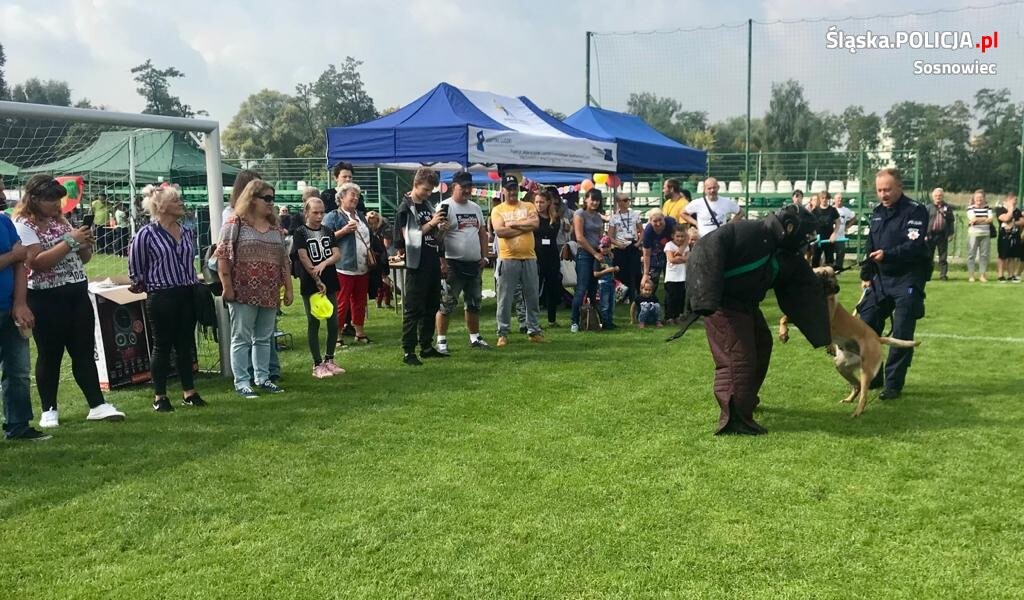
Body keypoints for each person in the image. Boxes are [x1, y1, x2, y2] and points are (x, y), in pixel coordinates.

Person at [687, 204, 829, 435]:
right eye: (804, 235)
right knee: (738, 358)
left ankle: (746, 401)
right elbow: (707, 247)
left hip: (747, 304)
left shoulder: (783, 251)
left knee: (762, 344)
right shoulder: (749, 232)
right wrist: (704, 297)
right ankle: (735, 418)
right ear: (790, 227)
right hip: (725, 305)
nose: (806, 242)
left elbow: (800, 282)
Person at [15, 175, 126, 427]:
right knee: (50, 353)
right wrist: (69, 242)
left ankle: (97, 404)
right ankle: (49, 410)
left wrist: (84, 243)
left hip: (76, 292)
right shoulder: (23, 225)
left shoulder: (63, 221)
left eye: (59, 198)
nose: (57, 204)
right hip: (45, 297)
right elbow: (37, 262)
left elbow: (83, 259)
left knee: (83, 351)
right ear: (34, 199)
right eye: (50, 199)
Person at [129, 184, 206, 412]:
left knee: (185, 344)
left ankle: (189, 392)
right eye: (175, 201)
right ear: (161, 207)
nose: (180, 204)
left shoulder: (187, 231)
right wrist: (150, 286)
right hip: (161, 295)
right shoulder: (146, 234)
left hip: (187, 292)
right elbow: (136, 268)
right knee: (162, 345)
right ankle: (160, 396)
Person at [857, 168, 931, 400]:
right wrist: (866, 273)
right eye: (879, 190)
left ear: (899, 187)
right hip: (881, 278)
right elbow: (871, 245)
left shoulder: (915, 211)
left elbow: (915, 246)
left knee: (901, 329)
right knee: (865, 325)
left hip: (908, 277)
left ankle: (893, 384)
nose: (883, 194)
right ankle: (874, 376)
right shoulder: (877, 213)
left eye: (887, 189)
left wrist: (887, 255)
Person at [216, 179, 293, 398]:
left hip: (269, 292)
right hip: (243, 291)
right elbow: (223, 255)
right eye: (266, 198)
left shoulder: (275, 228)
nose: (271, 203)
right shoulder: (235, 223)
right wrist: (227, 286)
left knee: (264, 337)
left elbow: (283, 261)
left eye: (273, 198)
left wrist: (288, 288)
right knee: (241, 337)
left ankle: (263, 377)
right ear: (252, 199)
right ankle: (241, 381)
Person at [0, 200, 46, 440]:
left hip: (9, 309)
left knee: (18, 370)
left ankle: (18, 426)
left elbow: (21, 263)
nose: (2, 193)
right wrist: (12, 255)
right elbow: (17, 255)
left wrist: (20, 303)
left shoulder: (5, 221)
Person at [394, 168, 447, 365]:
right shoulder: (405, 208)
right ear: (415, 184)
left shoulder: (427, 204)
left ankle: (426, 345)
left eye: (430, 190)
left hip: (432, 260)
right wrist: (433, 223)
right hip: (417, 264)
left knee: (431, 305)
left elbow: (434, 236)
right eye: (425, 189)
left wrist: (442, 229)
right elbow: (410, 236)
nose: (427, 193)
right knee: (413, 308)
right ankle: (408, 350)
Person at [435, 171, 490, 353]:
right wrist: (442, 262)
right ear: (453, 187)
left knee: (474, 302)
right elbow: (437, 238)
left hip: (474, 264)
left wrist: (484, 255)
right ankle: (441, 340)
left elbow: (482, 232)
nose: (466, 190)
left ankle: (475, 337)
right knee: (447, 303)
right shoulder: (444, 206)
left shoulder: (475, 207)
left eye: (469, 187)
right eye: (463, 187)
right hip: (453, 264)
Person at [291, 197, 343, 378]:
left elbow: (337, 254)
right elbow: (303, 257)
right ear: (306, 212)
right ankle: (317, 363)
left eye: (322, 212)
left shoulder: (328, 231)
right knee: (314, 321)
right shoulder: (300, 232)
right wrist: (316, 277)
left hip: (330, 279)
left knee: (334, 321)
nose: (320, 216)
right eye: (315, 212)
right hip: (310, 282)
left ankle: (330, 359)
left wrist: (324, 264)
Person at [490, 174, 543, 346]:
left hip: (529, 257)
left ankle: (534, 331)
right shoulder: (498, 210)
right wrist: (524, 227)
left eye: (515, 188)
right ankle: (503, 333)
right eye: (510, 188)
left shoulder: (528, 205)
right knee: (505, 298)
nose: (513, 191)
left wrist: (513, 225)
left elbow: (535, 225)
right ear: (503, 190)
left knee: (532, 296)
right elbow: (500, 232)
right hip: (508, 258)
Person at [324, 182, 373, 345]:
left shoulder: (360, 215)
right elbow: (323, 239)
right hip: (343, 267)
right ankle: (336, 335)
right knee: (341, 302)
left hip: (362, 266)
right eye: (352, 195)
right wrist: (344, 231)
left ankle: (359, 332)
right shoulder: (333, 216)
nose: (356, 198)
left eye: (357, 196)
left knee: (360, 301)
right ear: (342, 197)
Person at [570, 188, 606, 334]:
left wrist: (603, 249)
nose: (595, 202)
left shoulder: (598, 216)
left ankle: (594, 320)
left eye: (597, 200)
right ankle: (574, 321)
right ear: (586, 199)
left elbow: (600, 235)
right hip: (584, 253)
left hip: (597, 253)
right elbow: (579, 237)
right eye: (592, 199)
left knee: (593, 289)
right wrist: (593, 253)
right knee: (581, 288)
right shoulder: (579, 214)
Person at [534, 189, 563, 328]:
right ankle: (534, 320)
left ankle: (552, 319)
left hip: (551, 255)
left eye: (542, 202)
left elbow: (551, 233)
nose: (539, 205)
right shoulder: (533, 218)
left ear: (548, 203)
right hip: (536, 255)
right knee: (536, 288)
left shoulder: (554, 218)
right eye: (537, 202)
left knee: (552, 287)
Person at [608, 192, 642, 304]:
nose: (628, 201)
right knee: (621, 272)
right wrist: (617, 244)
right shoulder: (614, 217)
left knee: (634, 272)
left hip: (632, 245)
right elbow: (610, 236)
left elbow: (642, 231)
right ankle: (622, 296)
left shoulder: (635, 214)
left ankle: (635, 296)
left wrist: (638, 243)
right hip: (620, 246)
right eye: (625, 200)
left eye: (628, 199)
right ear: (619, 202)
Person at [640, 208, 677, 297]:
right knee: (651, 280)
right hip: (655, 255)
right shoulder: (648, 231)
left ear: (664, 218)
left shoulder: (671, 223)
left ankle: (671, 306)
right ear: (650, 221)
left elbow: (682, 236)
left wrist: (680, 250)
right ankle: (646, 302)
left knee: (671, 282)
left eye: (660, 220)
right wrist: (645, 274)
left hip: (671, 253)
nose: (658, 223)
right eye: (654, 221)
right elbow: (647, 254)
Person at [926, 187, 955, 281]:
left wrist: (951, 233)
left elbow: (951, 221)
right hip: (930, 235)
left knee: (943, 257)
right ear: (933, 197)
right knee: (929, 257)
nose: (938, 197)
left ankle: (943, 275)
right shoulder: (928, 207)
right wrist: (924, 234)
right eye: (936, 195)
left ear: (943, 196)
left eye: (940, 195)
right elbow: (924, 222)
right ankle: (927, 275)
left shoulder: (948, 207)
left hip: (942, 235)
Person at [663, 225, 691, 324]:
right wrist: (682, 259)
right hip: (671, 277)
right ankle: (669, 317)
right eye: (678, 236)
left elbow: (688, 258)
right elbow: (671, 259)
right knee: (671, 298)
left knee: (680, 297)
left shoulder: (686, 246)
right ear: (672, 236)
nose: (680, 239)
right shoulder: (669, 245)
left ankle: (678, 315)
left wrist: (680, 258)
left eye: (682, 236)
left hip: (682, 277)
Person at [965, 189, 993, 283]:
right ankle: (971, 275)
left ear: (984, 198)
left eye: (981, 197)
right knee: (971, 255)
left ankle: (982, 275)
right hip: (973, 234)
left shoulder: (988, 208)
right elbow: (972, 219)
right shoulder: (970, 208)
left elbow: (990, 220)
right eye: (977, 197)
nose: (979, 199)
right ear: (974, 198)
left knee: (984, 255)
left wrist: (978, 220)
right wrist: (984, 218)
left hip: (986, 234)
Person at [366, 211, 392, 308]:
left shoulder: (385, 226)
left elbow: (386, 245)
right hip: (372, 257)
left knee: (385, 280)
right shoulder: (367, 229)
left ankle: (386, 301)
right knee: (379, 281)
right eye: (370, 223)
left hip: (381, 256)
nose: (373, 225)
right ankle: (379, 301)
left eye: (375, 222)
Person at [995, 192, 1022, 282]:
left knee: (1012, 256)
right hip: (1004, 236)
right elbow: (1005, 218)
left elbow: (1022, 221)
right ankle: (1000, 275)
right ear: (1008, 200)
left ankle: (1011, 275)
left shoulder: (1017, 211)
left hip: (1015, 236)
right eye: (1014, 200)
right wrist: (1010, 210)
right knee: (1002, 256)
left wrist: (1014, 223)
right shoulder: (1000, 209)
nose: (1015, 202)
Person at [594, 236, 619, 329]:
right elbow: (596, 273)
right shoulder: (598, 259)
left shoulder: (611, 257)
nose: (604, 249)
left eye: (607, 247)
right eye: (603, 247)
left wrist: (615, 269)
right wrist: (608, 270)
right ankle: (605, 323)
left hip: (611, 283)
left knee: (611, 304)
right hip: (602, 283)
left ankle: (610, 321)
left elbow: (613, 268)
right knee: (604, 304)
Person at [812, 190, 839, 267]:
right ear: (820, 199)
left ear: (828, 199)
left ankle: (829, 278)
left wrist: (834, 234)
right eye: (822, 198)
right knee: (815, 261)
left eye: (826, 198)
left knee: (829, 262)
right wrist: (814, 236)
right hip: (817, 239)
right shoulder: (815, 211)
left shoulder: (833, 210)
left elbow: (838, 223)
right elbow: (810, 224)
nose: (824, 200)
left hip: (829, 239)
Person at [832, 194, 855, 271]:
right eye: (838, 199)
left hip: (841, 236)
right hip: (830, 235)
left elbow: (853, 218)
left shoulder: (846, 210)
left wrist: (847, 227)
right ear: (834, 200)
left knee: (841, 252)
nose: (840, 200)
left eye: (841, 199)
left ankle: (838, 268)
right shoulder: (831, 209)